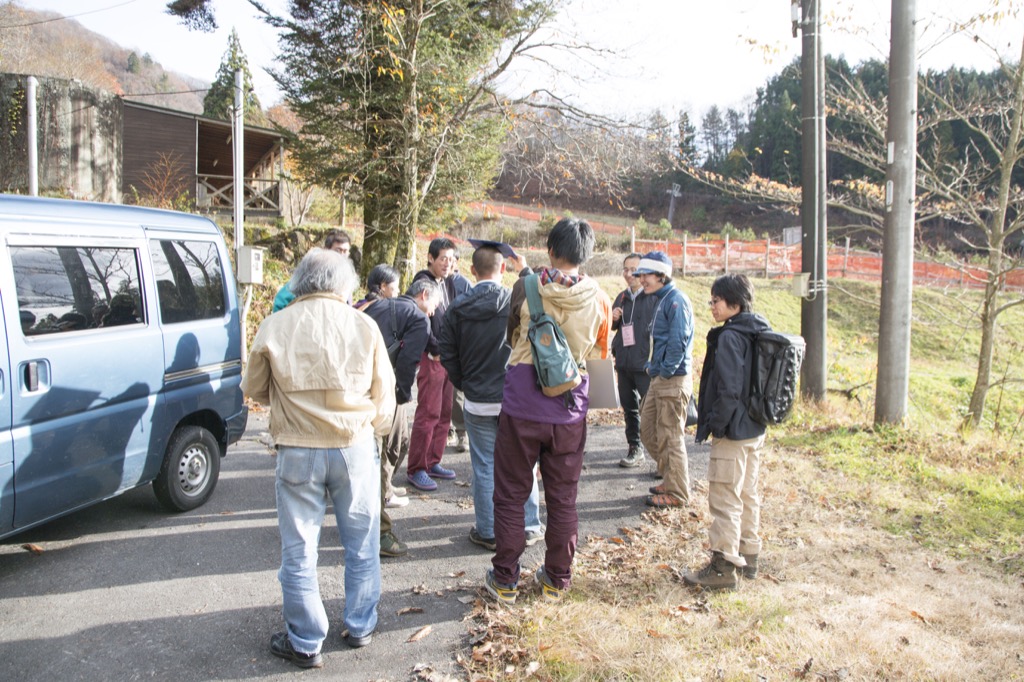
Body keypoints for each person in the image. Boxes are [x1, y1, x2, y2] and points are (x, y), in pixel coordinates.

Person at [242, 248, 396, 668]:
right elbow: (386, 401)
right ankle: (361, 625)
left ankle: (306, 640)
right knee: (362, 543)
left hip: (298, 447)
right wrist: (370, 430)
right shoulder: (364, 325)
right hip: (354, 446)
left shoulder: (275, 325)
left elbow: (254, 388)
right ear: (344, 283)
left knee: (299, 549)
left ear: (300, 281)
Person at [484, 218, 611, 605]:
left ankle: (505, 580)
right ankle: (557, 578)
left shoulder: (524, 287)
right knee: (562, 497)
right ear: (586, 255)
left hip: (522, 405)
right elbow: (601, 359)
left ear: (551, 250)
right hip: (569, 410)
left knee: (510, 494)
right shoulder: (602, 299)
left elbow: (510, 338)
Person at [438, 243, 544, 552]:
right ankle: (528, 525)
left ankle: (487, 530)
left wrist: (465, 383)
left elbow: (448, 353)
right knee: (522, 463)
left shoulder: (458, 307)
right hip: (515, 396)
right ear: (503, 269)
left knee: (484, 465)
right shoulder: (514, 301)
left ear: (472, 270)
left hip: (477, 398)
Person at [684, 274, 769, 591]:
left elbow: (729, 388)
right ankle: (749, 557)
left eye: (716, 300)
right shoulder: (758, 330)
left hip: (733, 432)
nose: (712, 306)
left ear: (734, 303)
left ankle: (723, 567)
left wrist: (717, 424)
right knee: (747, 494)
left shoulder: (731, 337)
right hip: (754, 429)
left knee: (725, 499)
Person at [362, 270, 440, 558]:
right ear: (424, 296)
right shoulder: (419, 318)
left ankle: (379, 495)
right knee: (388, 449)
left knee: (393, 445)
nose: (433, 313)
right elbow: (408, 361)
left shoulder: (377, 304)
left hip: (361, 385)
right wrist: (402, 397)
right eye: (434, 306)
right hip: (386, 390)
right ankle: (379, 527)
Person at [405, 238, 471, 491]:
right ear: (431, 258)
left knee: (445, 413)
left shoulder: (450, 283)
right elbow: (420, 321)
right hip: (432, 357)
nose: (448, 263)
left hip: (448, 358)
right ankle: (417, 467)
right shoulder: (422, 283)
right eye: (443, 258)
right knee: (428, 413)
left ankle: (433, 461)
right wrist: (435, 350)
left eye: (451, 259)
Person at [634, 251, 695, 509]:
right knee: (647, 430)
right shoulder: (663, 299)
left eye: (646, 274)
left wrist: (666, 370)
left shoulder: (676, 300)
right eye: (640, 275)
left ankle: (678, 492)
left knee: (671, 436)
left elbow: (678, 341)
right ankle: (670, 477)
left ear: (661, 275)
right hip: (660, 377)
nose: (641, 280)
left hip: (673, 379)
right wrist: (653, 367)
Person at [611, 252, 657, 468]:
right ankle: (635, 448)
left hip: (644, 366)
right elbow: (615, 329)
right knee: (629, 409)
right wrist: (613, 319)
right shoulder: (621, 297)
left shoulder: (653, 297)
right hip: (624, 362)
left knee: (651, 411)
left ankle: (661, 459)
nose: (629, 274)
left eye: (634, 270)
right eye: (626, 269)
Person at [273, 229, 355, 312]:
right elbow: (282, 301)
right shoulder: (312, 273)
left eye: (345, 251)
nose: (342, 255)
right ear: (326, 250)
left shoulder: (346, 280)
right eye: (338, 250)